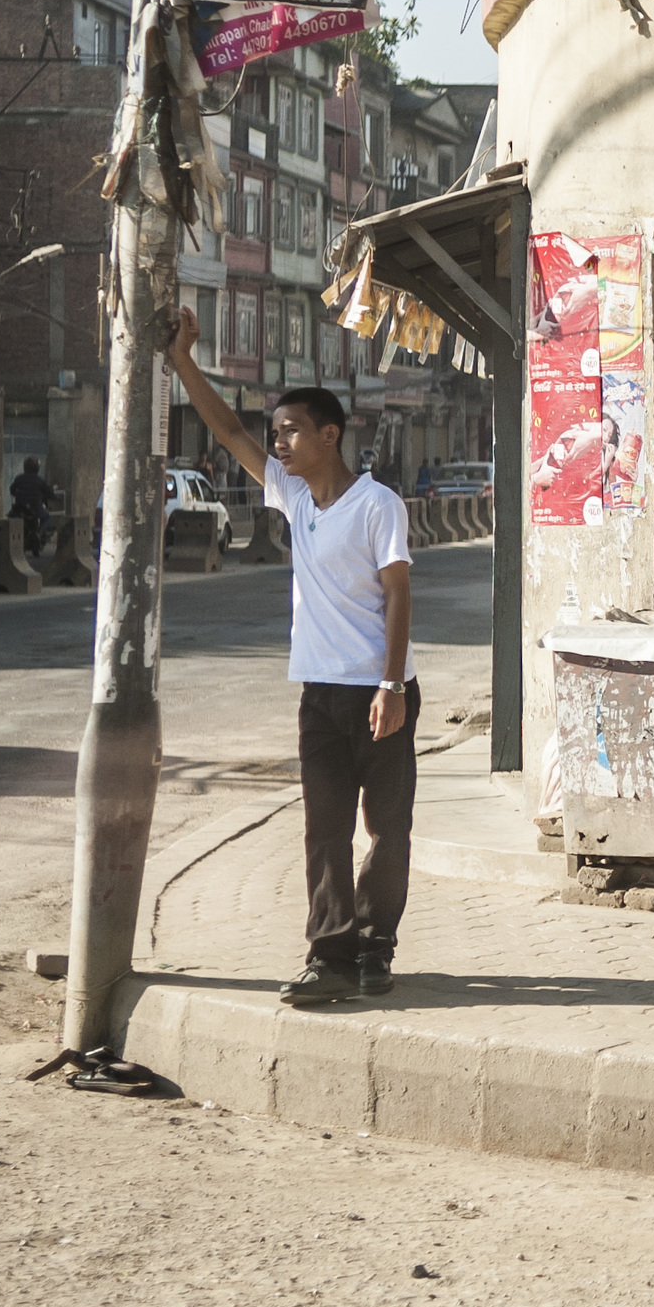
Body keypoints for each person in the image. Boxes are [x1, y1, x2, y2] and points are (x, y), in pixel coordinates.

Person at [167, 307, 418, 1007]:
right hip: (320, 695)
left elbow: (398, 595)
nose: (277, 441)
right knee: (325, 830)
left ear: (328, 434)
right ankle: (328, 954)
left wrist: (392, 684)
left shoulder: (377, 505)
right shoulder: (293, 497)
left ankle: (377, 943)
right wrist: (184, 358)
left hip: (380, 691)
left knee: (387, 829)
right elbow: (226, 430)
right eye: (276, 431)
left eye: (291, 430)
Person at [7, 457, 59, 558]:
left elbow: (12, 490)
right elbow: (49, 493)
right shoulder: (40, 480)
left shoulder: (19, 478)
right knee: (47, 518)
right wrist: (55, 498)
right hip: (35, 509)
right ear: (37, 468)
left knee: (10, 518)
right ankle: (40, 534)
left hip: (20, 509)